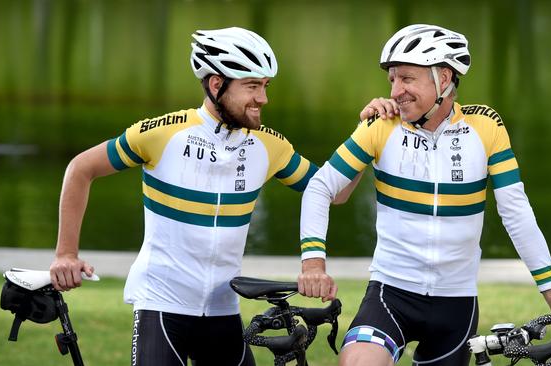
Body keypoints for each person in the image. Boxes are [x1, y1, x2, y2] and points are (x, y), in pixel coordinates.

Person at [49, 27, 353, 366]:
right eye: (252, 86)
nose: (263, 98)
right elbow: (80, 168)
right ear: (216, 84)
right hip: (162, 306)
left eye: (265, 86)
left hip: (224, 310)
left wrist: (367, 133)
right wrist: (66, 253)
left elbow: (334, 192)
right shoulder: (162, 134)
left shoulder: (269, 146)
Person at [297, 24, 551, 366]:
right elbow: (322, 187)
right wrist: (313, 263)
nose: (395, 91)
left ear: (444, 77)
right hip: (390, 294)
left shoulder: (485, 129)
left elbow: (516, 213)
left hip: (456, 305)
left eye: (406, 79)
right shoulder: (380, 125)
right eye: (392, 79)